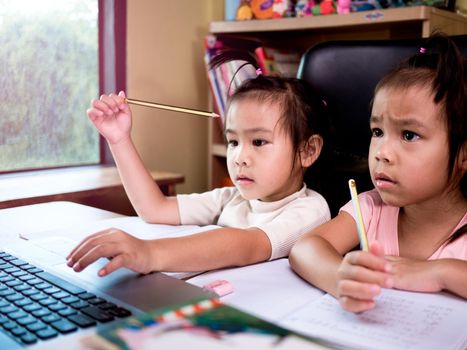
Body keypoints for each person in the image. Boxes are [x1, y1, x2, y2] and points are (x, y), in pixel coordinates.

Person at [66, 56, 333, 277]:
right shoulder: (232, 199)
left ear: (307, 151)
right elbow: (155, 209)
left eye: (259, 141)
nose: (239, 156)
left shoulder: (311, 209)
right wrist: (119, 139)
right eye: (232, 141)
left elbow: (249, 245)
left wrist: (149, 253)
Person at [289, 33, 467, 313]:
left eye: (409, 135)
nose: (381, 152)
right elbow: (305, 249)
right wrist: (341, 280)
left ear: (463, 154)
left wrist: (440, 272)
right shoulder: (371, 207)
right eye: (377, 132)